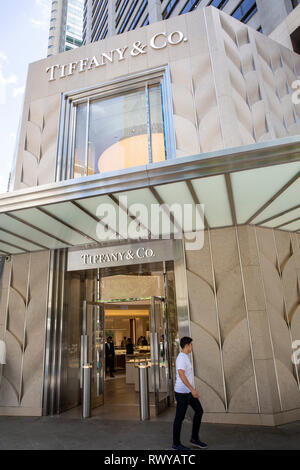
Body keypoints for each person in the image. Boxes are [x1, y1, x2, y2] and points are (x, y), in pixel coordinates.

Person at [172, 337, 207, 451]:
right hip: (182, 393)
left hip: (187, 392)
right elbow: (181, 375)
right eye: (191, 345)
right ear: (187, 345)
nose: (192, 347)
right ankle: (176, 444)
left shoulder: (185, 357)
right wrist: (192, 389)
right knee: (179, 418)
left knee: (199, 411)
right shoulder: (181, 358)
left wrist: (191, 390)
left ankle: (194, 438)